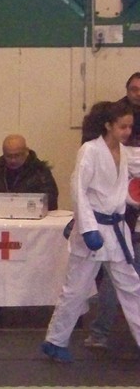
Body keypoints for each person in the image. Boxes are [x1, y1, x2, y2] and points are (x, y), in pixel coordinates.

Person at [42, 100, 140, 363]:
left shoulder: (126, 153)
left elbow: (129, 180)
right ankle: (55, 340)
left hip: (117, 230)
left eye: (130, 127)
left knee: (132, 287)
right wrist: (87, 229)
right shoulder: (90, 151)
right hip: (93, 229)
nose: (127, 132)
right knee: (76, 289)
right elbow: (79, 190)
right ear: (108, 125)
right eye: (122, 127)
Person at [0, 134, 58, 212]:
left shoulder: (40, 172)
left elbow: (51, 202)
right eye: (9, 156)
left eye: (17, 155)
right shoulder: (0, 172)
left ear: (26, 152)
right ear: (3, 154)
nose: (13, 160)